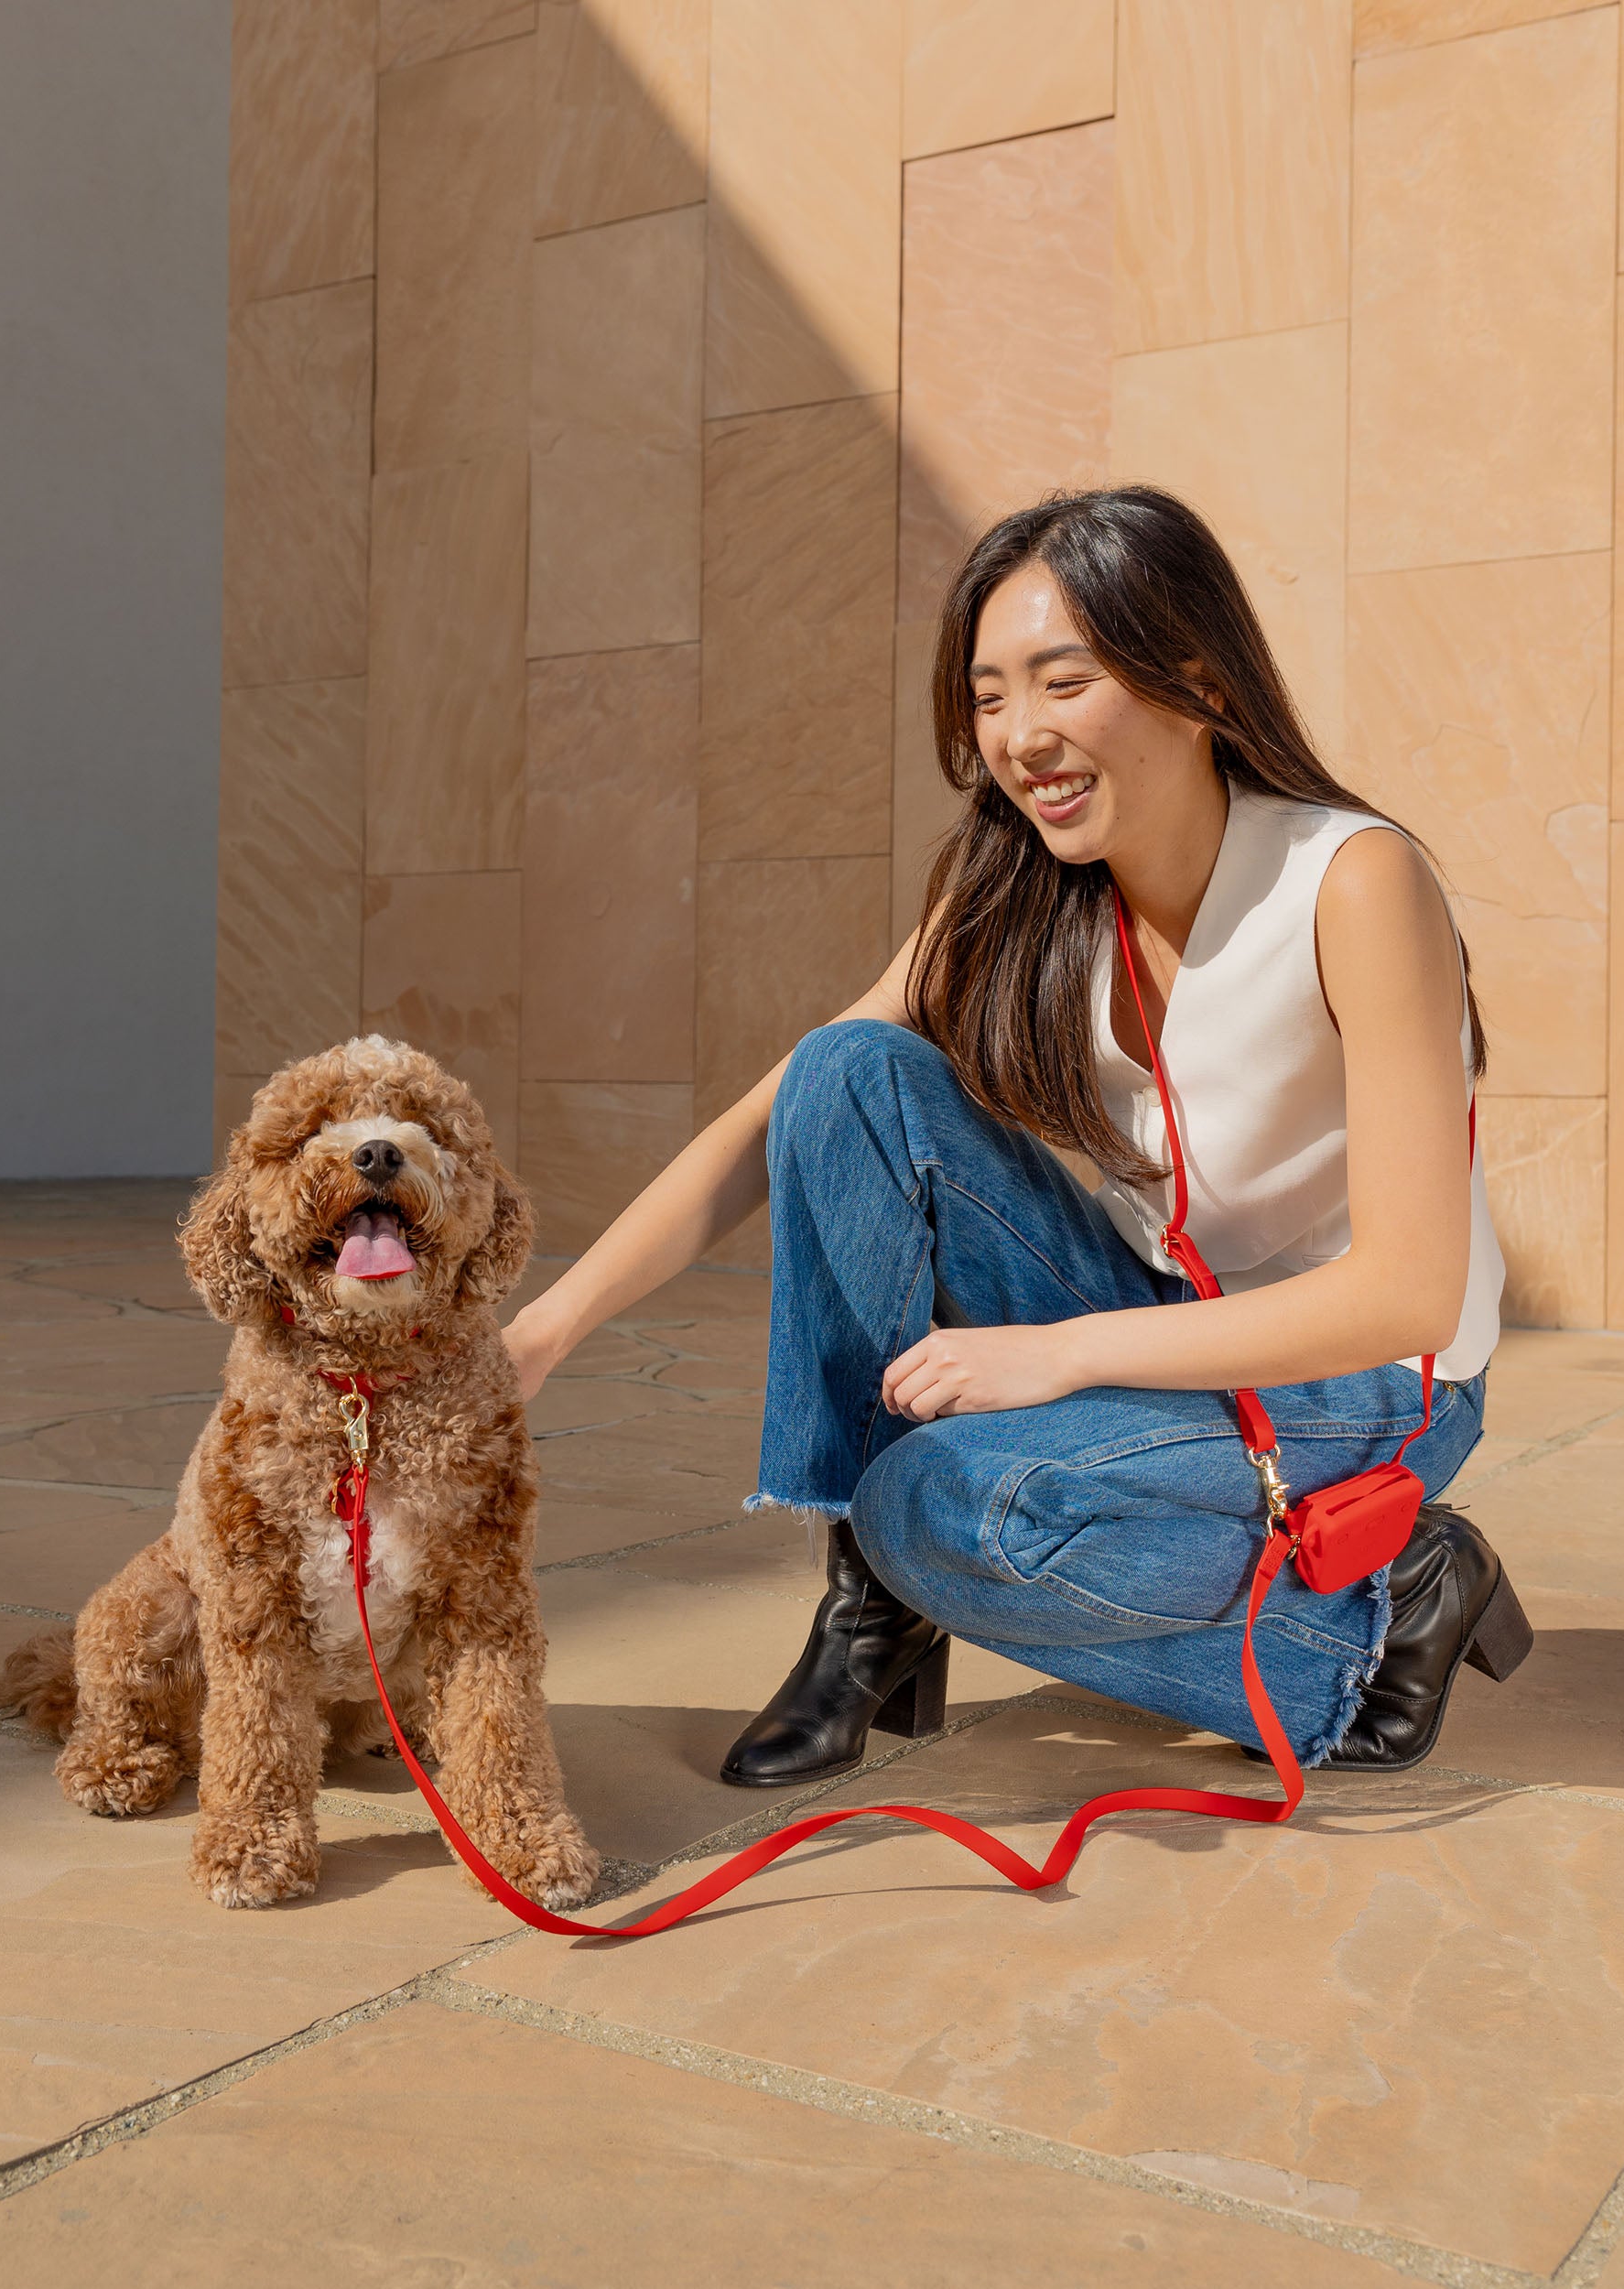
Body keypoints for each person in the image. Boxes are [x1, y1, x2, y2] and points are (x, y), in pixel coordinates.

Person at [502, 485, 1532, 1793]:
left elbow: (1405, 1292)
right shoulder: (1018, 888)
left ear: (1196, 680)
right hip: (1165, 1311)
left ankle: (1383, 1616)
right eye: (989, 697)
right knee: (847, 1072)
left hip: (1373, 1375)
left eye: (1064, 681)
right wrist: (546, 1332)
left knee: (954, 1509)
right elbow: (785, 1118)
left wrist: (1057, 1355)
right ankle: (875, 1606)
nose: (1020, 736)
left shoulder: (1354, 883)